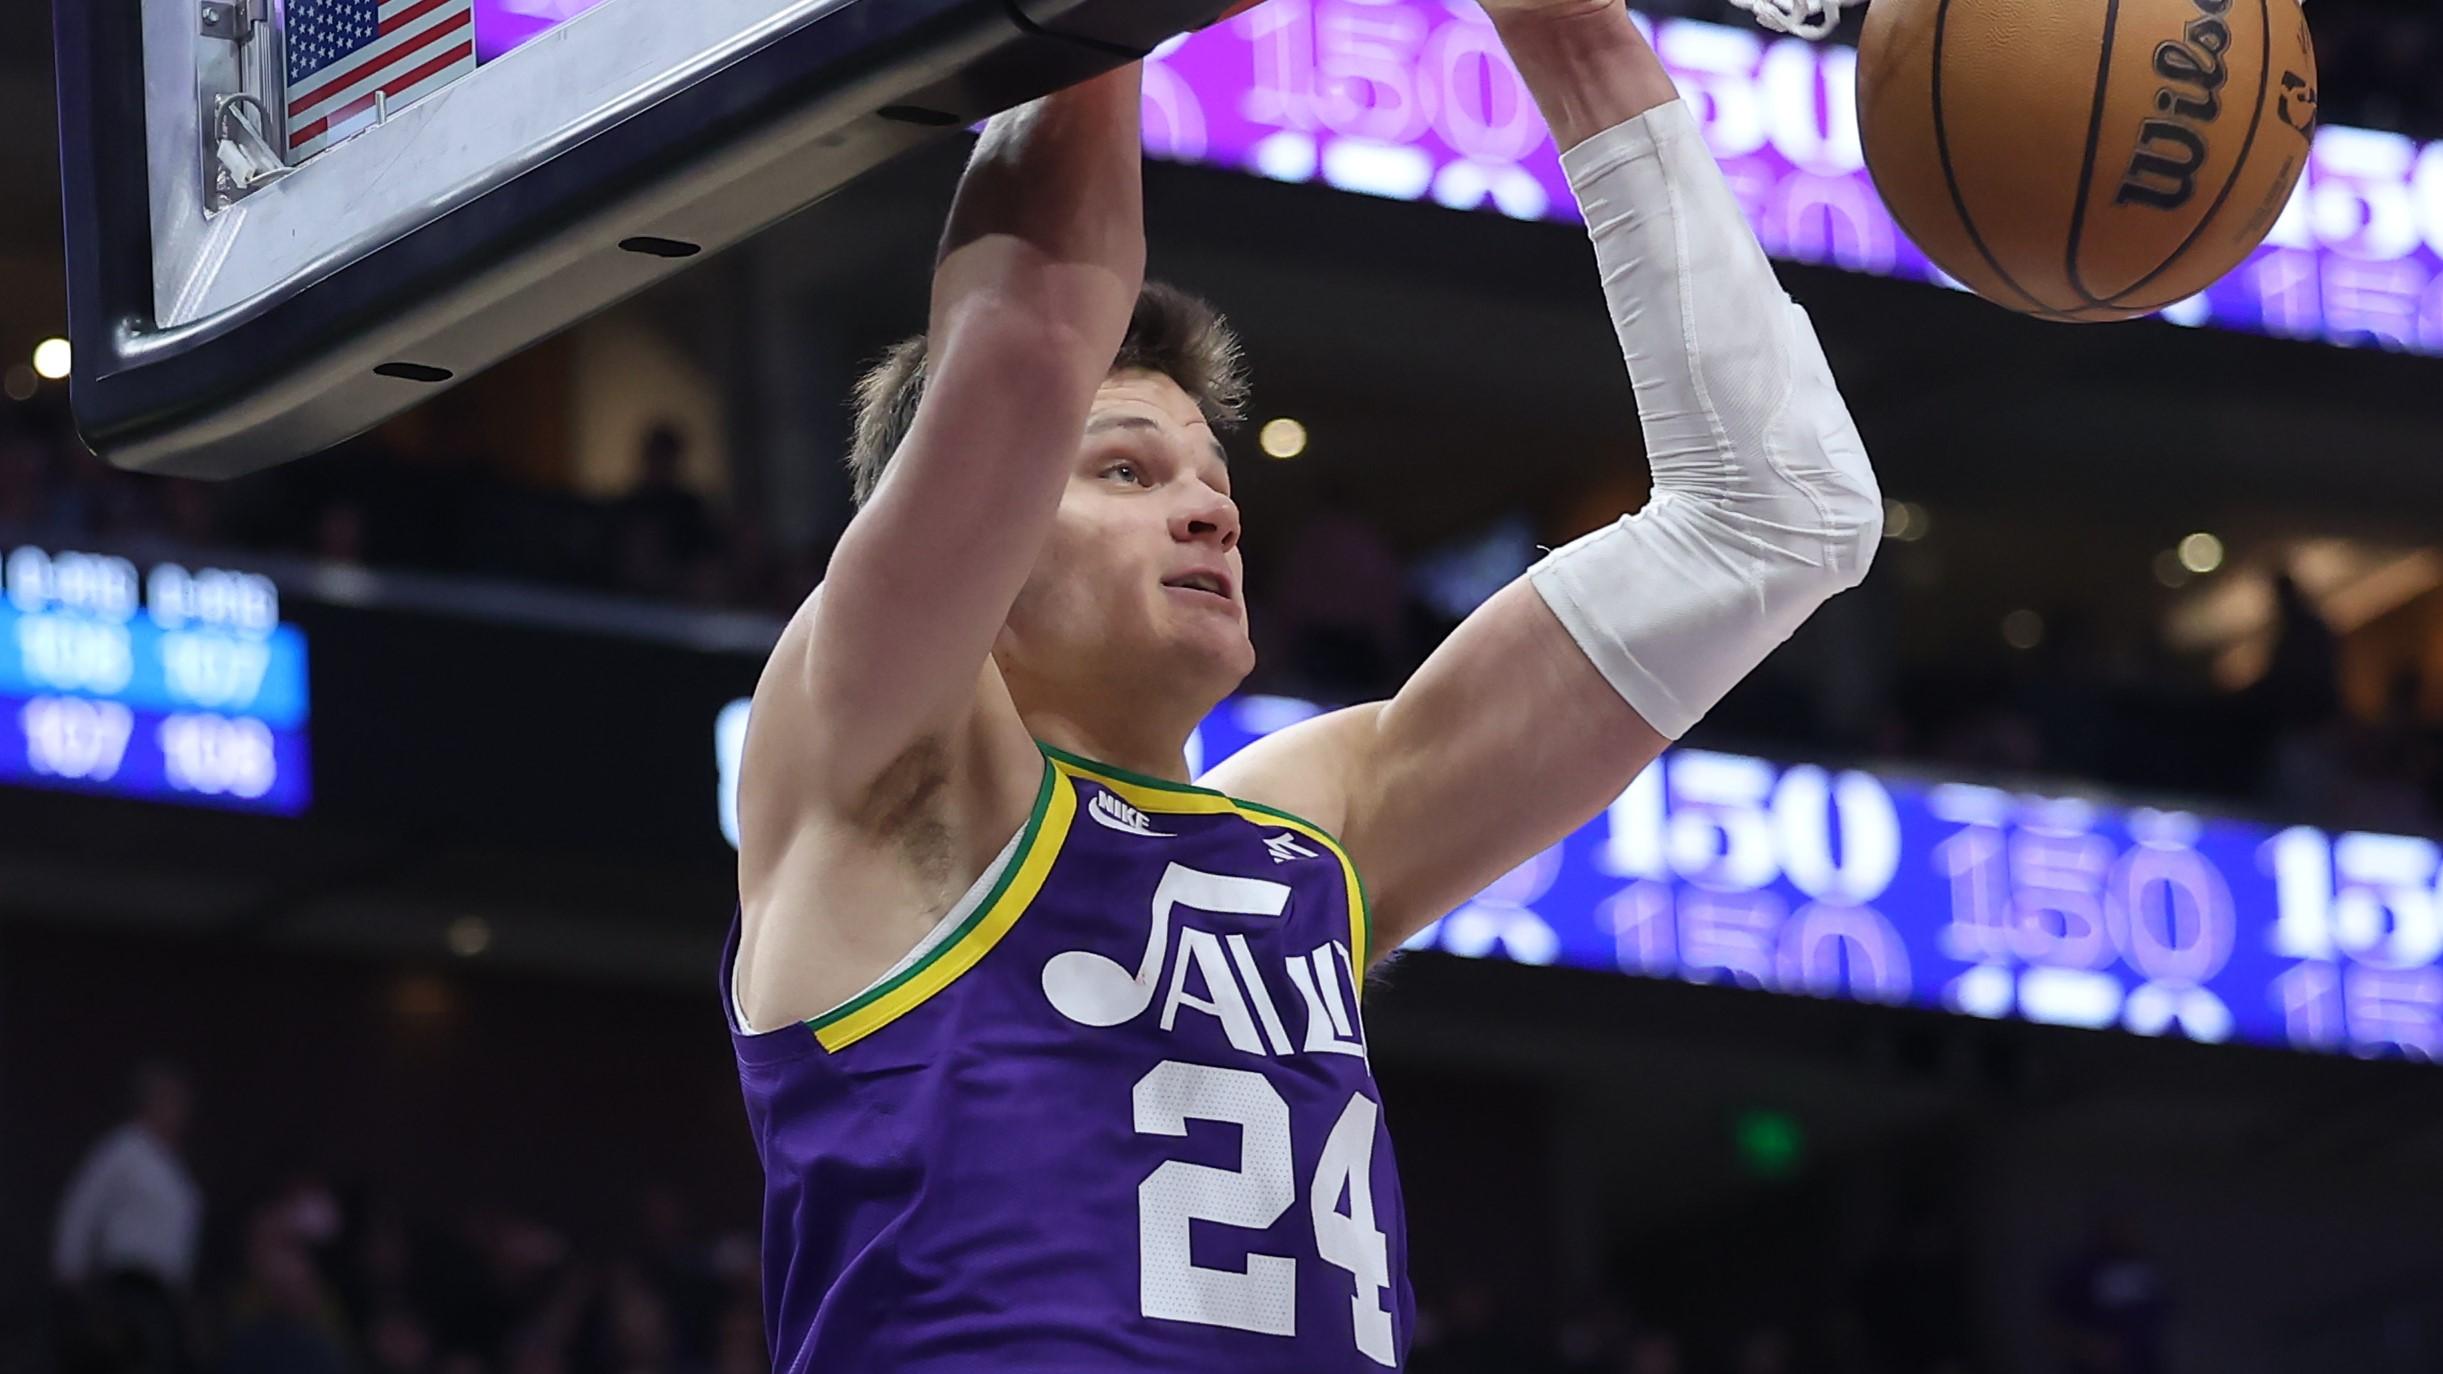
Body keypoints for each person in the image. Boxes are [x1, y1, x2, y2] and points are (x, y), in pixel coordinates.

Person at [721, 0, 1881, 1368]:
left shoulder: (1305, 836)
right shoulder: (881, 760)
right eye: (1124, 471)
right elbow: (1031, 325)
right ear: (963, 514)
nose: (1210, 515)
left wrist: (1573, 39)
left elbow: (1779, 517)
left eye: (1211, 484)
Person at [51, 1064, 204, 1374]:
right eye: (170, 1101)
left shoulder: (171, 1165)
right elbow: (83, 1206)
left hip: (166, 1292)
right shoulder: (124, 1150)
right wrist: (69, 1268)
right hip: (130, 1286)